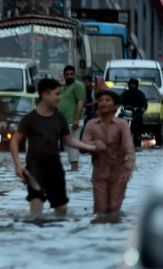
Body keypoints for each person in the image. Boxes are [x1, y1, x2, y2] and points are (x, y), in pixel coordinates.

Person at [10, 77, 101, 216]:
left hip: (55, 166)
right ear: (45, 95)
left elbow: (69, 140)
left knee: (62, 209)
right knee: (36, 204)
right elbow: (14, 141)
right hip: (35, 166)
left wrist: (91, 147)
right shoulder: (29, 119)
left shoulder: (59, 118)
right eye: (57, 94)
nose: (60, 98)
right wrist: (18, 165)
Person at [82, 90, 136, 214]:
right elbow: (82, 147)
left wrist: (130, 168)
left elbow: (129, 147)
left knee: (114, 209)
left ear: (115, 106)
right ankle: (99, 232)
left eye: (107, 100)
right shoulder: (91, 125)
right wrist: (94, 144)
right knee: (100, 210)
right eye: (101, 101)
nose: (103, 103)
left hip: (119, 172)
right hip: (99, 172)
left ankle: (113, 232)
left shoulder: (122, 125)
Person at [58, 65, 86, 171]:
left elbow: (80, 102)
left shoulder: (77, 86)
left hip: (73, 122)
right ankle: (73, 171)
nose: (69, 76)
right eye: (67, 74)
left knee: (73, 147)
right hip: (65, 122)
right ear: (64, 76)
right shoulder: (66, 87)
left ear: (75, 75)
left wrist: (76, 119)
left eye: (71, 74)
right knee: (68, 147)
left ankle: (75, 170)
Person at [119, 78, 148, 145]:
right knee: (119, 117)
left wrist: (143, 107)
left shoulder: (140, 94)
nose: (132, 86)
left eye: (134, 84)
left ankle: (138, 134)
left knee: (139, 117)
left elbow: (144, 101)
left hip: (136, 111)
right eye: (131, 84)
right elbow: (120, 100)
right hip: (126, 111)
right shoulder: (125, 93)